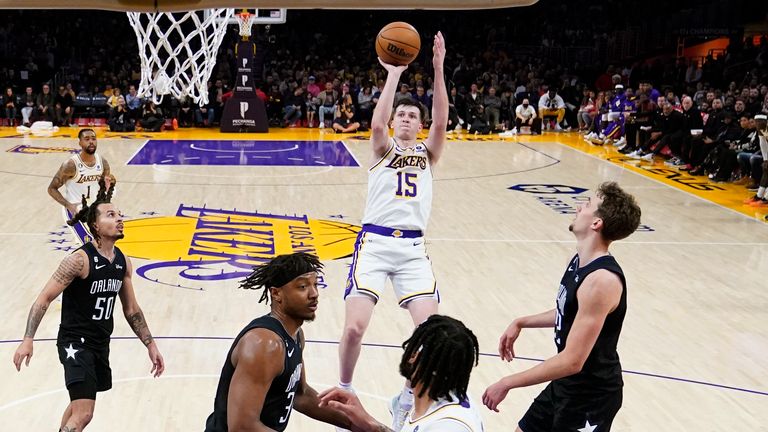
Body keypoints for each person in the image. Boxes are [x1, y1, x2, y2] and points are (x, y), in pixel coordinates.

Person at [338, 31, 448, 432]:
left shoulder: (428, 153)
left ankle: (405, 396)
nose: (405, 119)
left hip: (413, 250)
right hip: (375, 243)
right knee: (354, 327)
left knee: (429, 333)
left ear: (419, 125)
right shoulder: (383, 149)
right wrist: (393, 75)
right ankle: (344, 387)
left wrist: (437, 68)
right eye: (401, 114)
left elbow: (442, 117)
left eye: (411, 116)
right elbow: (376, 120)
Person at [482, 182, 642, 432]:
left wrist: (507, 382)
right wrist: (521, 321)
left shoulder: (602, 281)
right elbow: (567, 312)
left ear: (596, 223)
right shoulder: (578, 260)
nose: (579, 206)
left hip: (591, 396)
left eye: (588, 205)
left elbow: (572, 361)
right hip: (566, 384)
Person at [13, 180, 165, 432]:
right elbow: (44, 298)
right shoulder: (78, 260)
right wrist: (28, 338)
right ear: (95, 225)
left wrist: (150, 344)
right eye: (111, 215)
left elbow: (132, 310)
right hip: (75, 343)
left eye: (119, 214)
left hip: (99, 343)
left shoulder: (122, 262)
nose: (120, 219)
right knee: (84, 414)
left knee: (77, 407)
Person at [205, 252, 353, 431]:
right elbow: (242, 427)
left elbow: (300, 395)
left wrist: (359, 424)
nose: (314, 294)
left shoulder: (296, 335)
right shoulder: (264, 345)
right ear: (276, 293)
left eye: (315, 284)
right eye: (302, 287)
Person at [320, 315, 484, 432]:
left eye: (417, 349)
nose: (410, 353)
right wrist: (371, 425)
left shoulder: (449, 427)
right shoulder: (439, 393)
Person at [48, 128, 112, 219]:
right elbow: (51, 189)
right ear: (80, 142)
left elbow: (105, 188)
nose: (91, 142)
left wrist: (107, 188)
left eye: (93, 139)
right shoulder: (71, 165)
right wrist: (69, 206)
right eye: (87, 139)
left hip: (95, 210)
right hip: (75, 210)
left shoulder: (103, 162)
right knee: (87, 234)